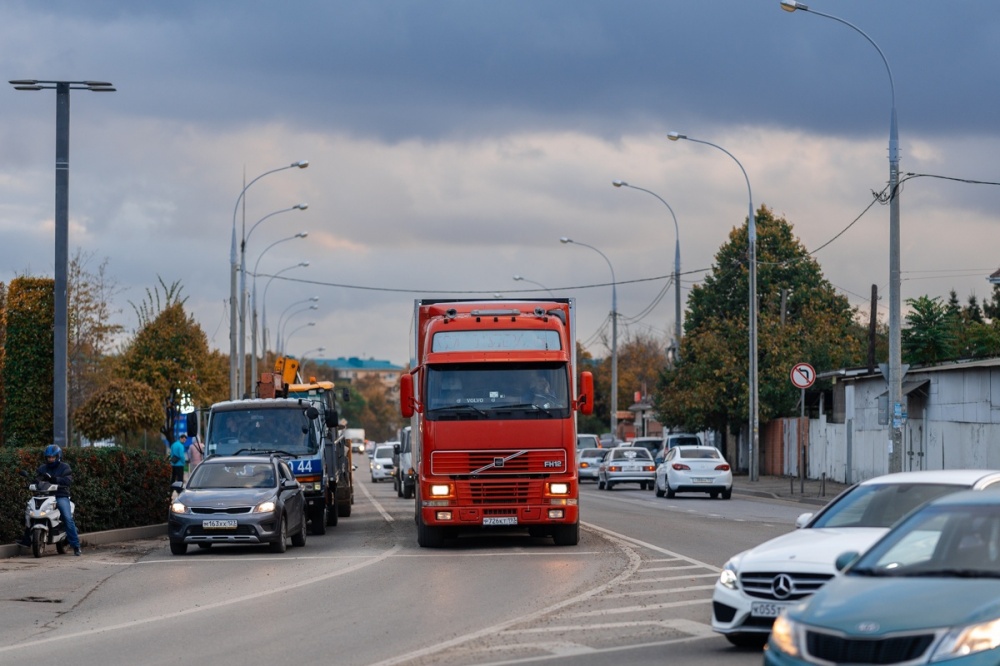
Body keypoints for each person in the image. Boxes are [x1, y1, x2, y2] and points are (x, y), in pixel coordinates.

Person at [17, 445, 82, 556]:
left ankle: (76, 546)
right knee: (29, 513)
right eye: (48, 457)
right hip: (43, 495)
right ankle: (27, 540)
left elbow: (67, 480)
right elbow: (37, 479)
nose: (50, 459)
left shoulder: (65, 467)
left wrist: (54, 479)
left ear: (58, 456)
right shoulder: (43, 468)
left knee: (67, 518)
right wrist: (33, 482)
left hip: (60, 495)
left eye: (52, 457)